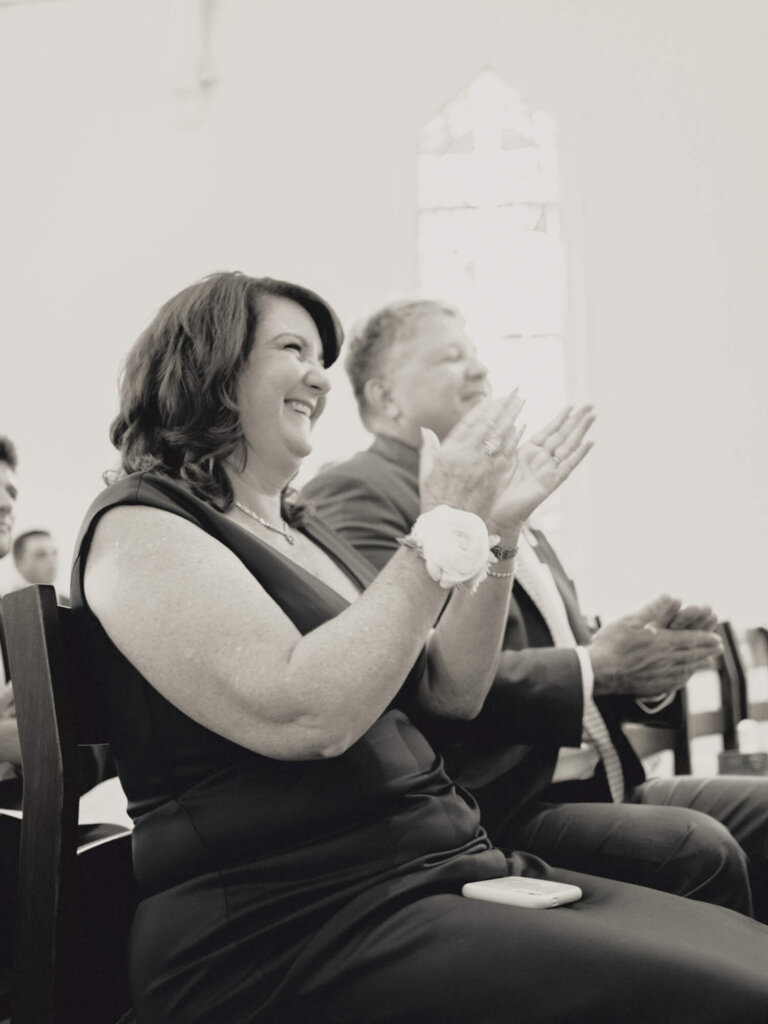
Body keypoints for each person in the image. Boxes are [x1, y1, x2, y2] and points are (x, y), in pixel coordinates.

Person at [71, 271, 768, 1024]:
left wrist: (494, 532)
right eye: (291, 348)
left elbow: (449, 689)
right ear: (210, 367)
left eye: (321, 359)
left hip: (434, 870)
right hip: (293, 923)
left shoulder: (303, 528)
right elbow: (306, 714)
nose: (319, 376)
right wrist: (439, 525)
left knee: (748, 958)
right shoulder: (141, 524)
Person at [302, 297, 768, 921]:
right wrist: (594, 667)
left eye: (474, 353)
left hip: (601, 781)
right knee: (696, 849)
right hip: (499, 802)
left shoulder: (504, 491)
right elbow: (411, 674)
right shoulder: (356, 491)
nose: (478, 370)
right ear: (386, 398)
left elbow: (569, 651)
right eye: (451, 356)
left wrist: (647, 663)